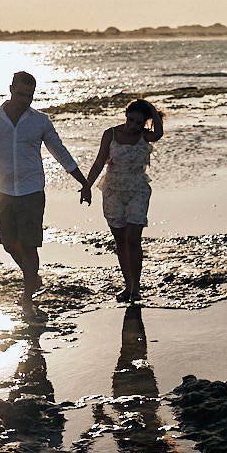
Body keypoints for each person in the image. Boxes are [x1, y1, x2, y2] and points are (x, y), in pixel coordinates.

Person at [0, 71, 89, 306]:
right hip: (2, 190)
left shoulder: (40, 121)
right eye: (21, 94)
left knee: (30, 244)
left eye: (29, 96)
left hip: (32, 191)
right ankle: (33, 277)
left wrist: (82, 181)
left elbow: (59, 151)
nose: (24, 100)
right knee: (9, 242)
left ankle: (28, 292)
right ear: (10, 89)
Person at [82, 99, 163, 303]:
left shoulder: (146, 135)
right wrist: (86, 186)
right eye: (130, 120)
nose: (133, 125)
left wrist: (151, 109)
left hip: (138, 190)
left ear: (145, 123)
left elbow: (159, 133)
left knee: (134, 238)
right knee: (120, 241)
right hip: (112, 190)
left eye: (138, 122)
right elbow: (99, 161)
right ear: (125, 116)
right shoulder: (111, 134)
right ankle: (129, 286)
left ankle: (136, 288)